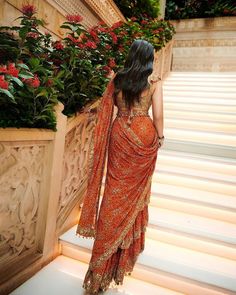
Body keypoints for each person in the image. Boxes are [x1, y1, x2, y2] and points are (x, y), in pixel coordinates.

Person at [76, 39, 164, 294]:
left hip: (119, 137)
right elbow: (158, 116)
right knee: (132, 197)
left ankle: (100, 263)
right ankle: (115, 260)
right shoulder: (154, 82)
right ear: (148, 59)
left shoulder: (118, 79)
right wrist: (160, 137)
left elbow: (106, 110)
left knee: (113, 193)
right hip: (143, 136)